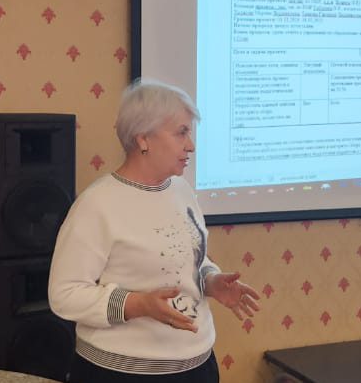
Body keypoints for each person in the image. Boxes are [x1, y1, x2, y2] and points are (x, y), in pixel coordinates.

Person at [48, 78, 260, 382]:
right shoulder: (96, 205)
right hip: (119, 373)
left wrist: (210, 281)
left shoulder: (182, 191)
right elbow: (64, 294)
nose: (191, 145)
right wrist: (137, 304)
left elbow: (189, 260)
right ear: (143, 138)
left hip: (197, 367)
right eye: (181, 132)